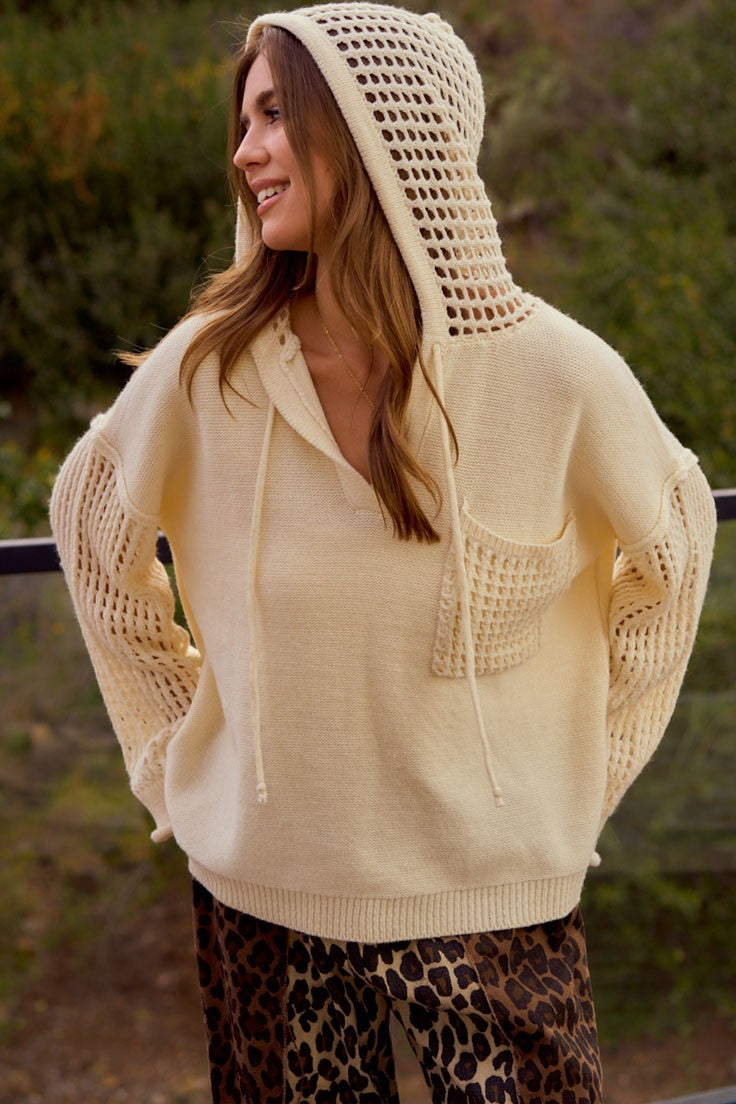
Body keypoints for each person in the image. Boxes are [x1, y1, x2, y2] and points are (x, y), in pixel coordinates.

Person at [49, 4, 717, 1102]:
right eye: (244, 121)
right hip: (264, 898)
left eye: (276, 115)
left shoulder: (555, 374)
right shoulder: (208, 372)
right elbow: (90, 527)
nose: (244, 152)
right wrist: (173, 752)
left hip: (495, 903)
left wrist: (587, 771)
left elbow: (675, 546)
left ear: (373, 131)